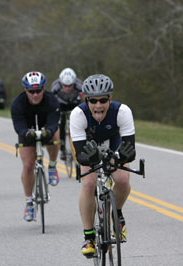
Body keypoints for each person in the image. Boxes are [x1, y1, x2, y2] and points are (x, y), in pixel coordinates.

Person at [70, 74, 136, 257]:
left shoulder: (123, 112)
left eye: (103, 100)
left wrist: (119, 158)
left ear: (110, 98)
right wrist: (90, 159)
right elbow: (81, 154)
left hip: (112, 143)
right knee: (89, 184)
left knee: (122, 180)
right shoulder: (78, 115)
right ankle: (89, 236)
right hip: (88, 146)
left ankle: (118, 214)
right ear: (86, 99)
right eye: (93, 100)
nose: (98, 105)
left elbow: (130, 148)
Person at [11, 71, 60, 222]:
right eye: (31, 91)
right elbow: (18, 126)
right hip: (27, 131)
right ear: (25, 90)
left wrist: (50, 130)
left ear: (43, 89)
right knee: (28, 165)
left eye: (38, 90)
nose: (35, 94)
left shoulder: (52, 101)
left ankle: (52, 166)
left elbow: (54, 121)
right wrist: (25, 132)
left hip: (46, 128)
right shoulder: (17, 104)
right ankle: (29, 202)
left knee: (56, 136)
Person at [51, 67, 83, 160]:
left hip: (74, 104)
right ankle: (63, 149)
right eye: (65, 86)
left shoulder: (79, 84)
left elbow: (85, 99)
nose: (68, 88)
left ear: (74, 83)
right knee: (61, 124)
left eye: (70, 86)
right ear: (61, 83)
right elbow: (51, 101)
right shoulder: (55, 86)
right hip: (61, 105)